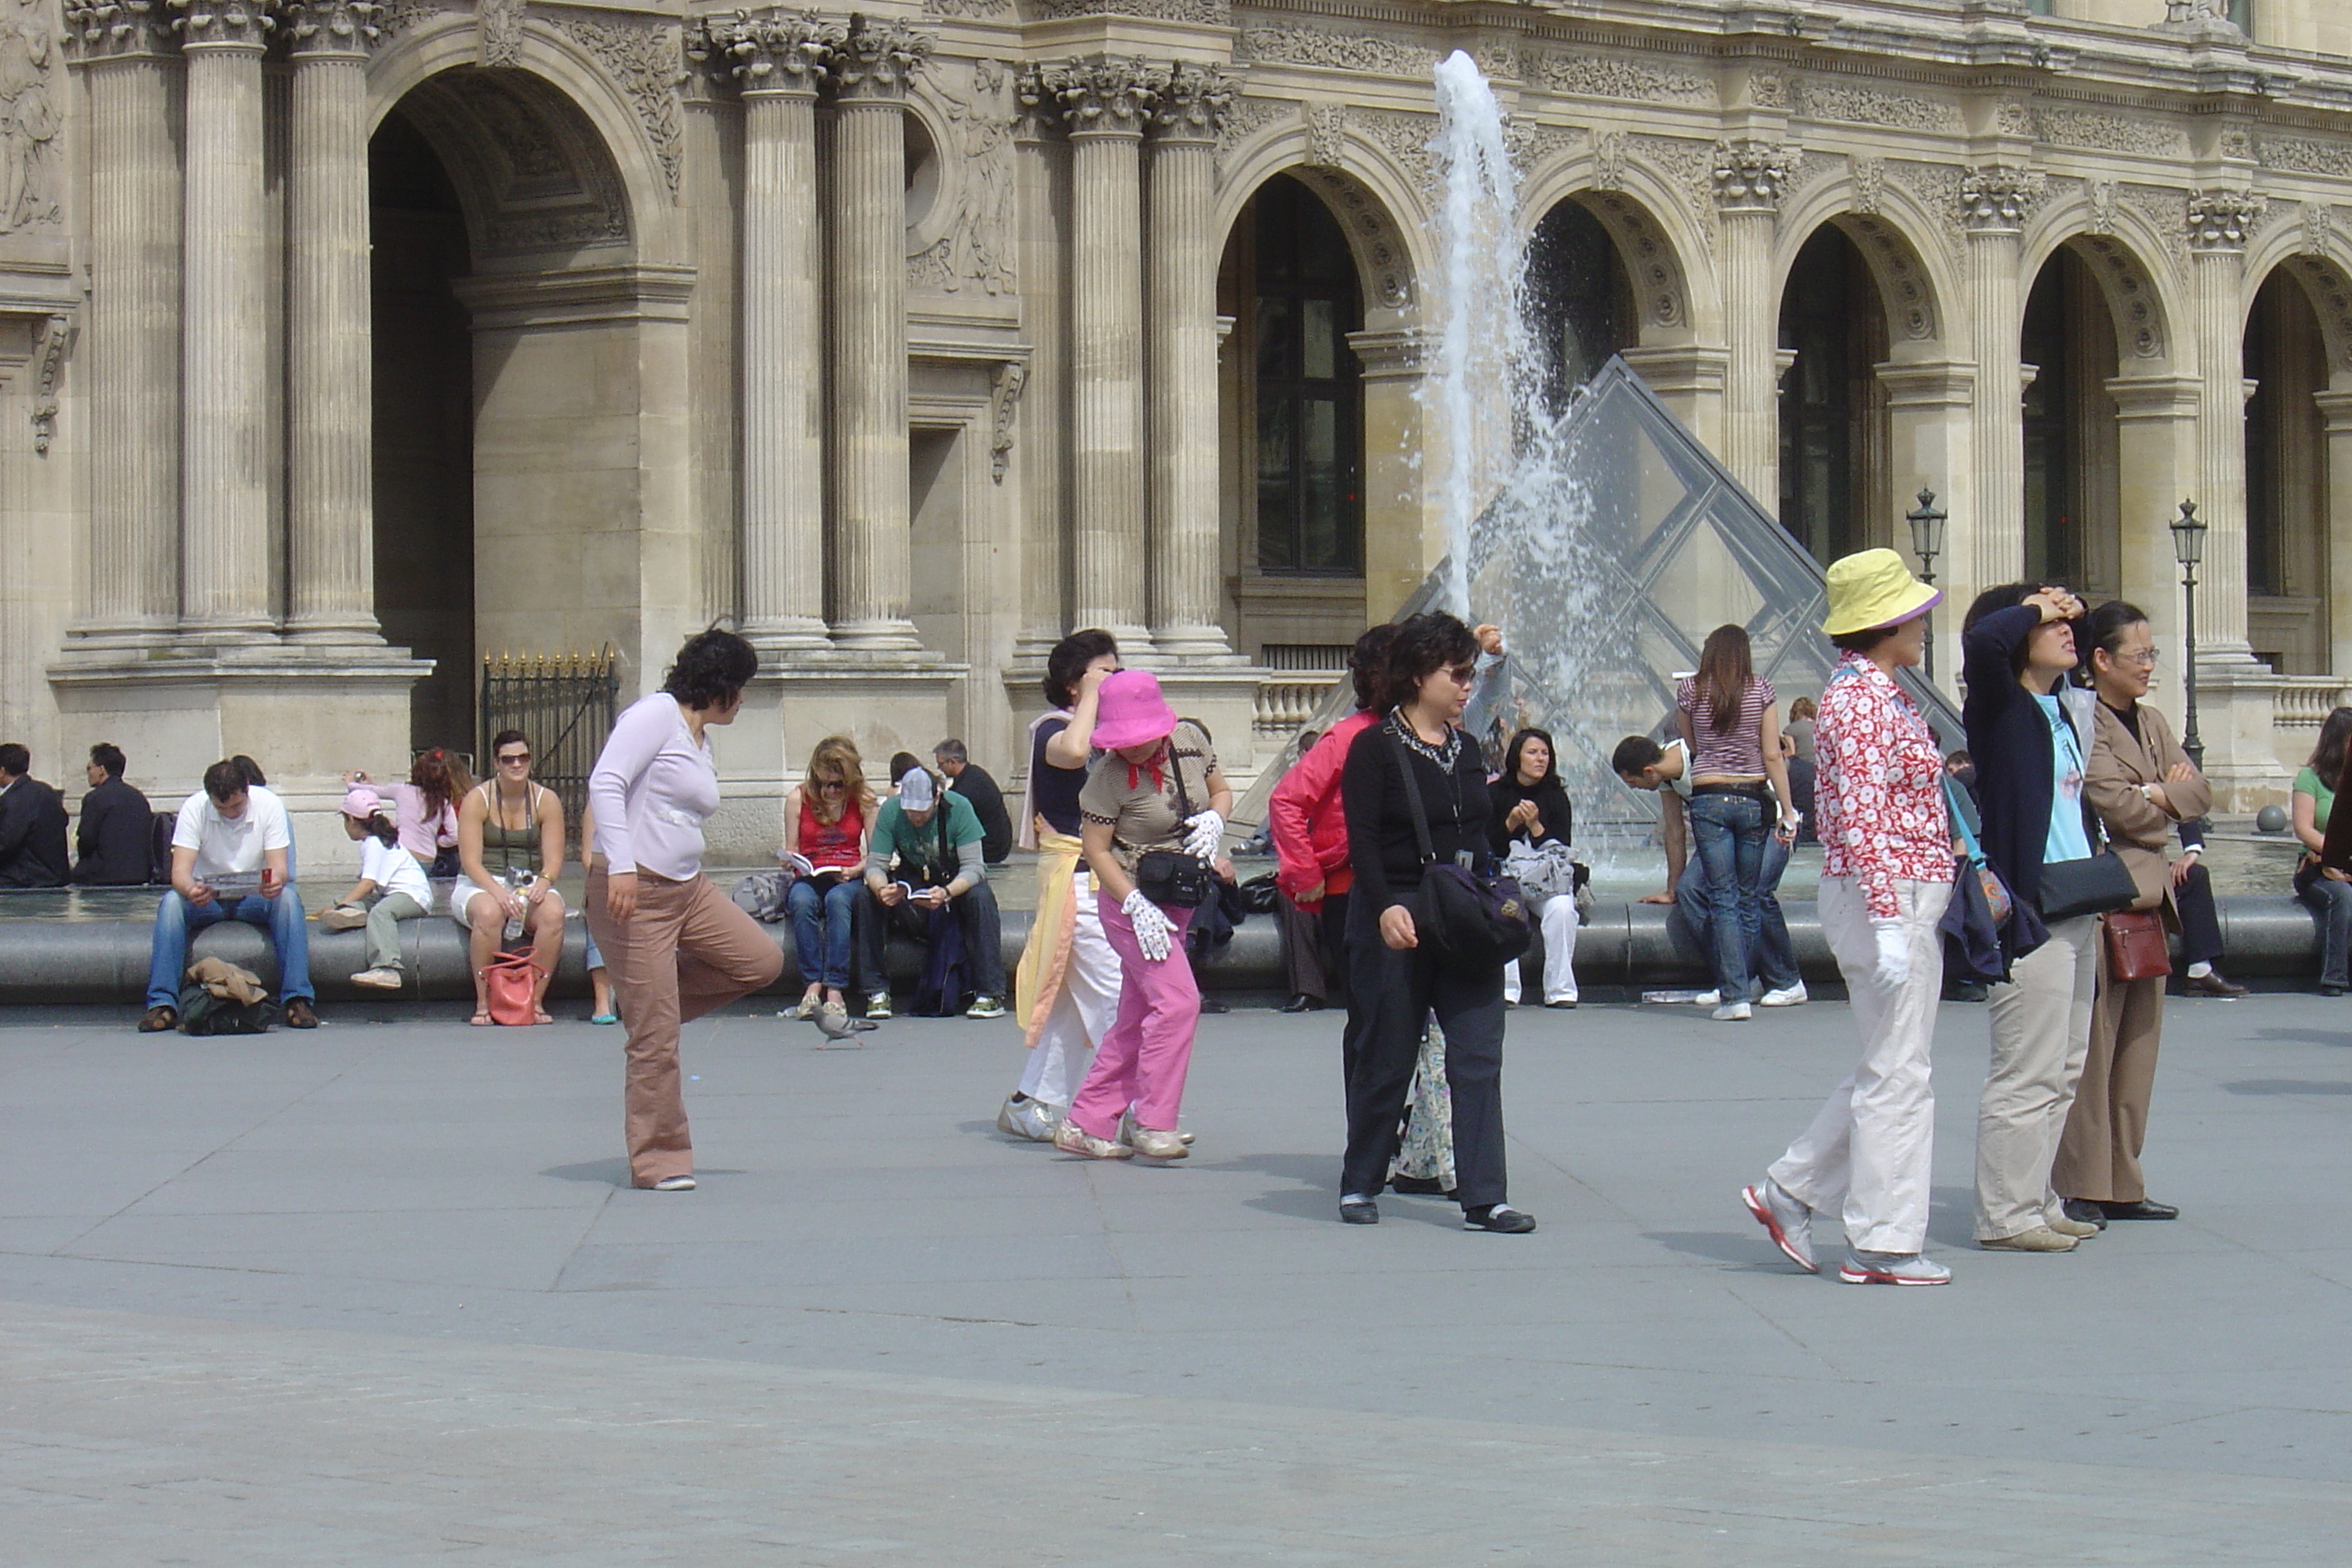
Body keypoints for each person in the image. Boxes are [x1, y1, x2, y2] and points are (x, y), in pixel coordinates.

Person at [1742, 549, 1953, 1286]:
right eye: (1912, 613)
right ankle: (1884, 1242)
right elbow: (1862, 815)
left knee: (1890, 1065)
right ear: (1885, 623)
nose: (1924, 622)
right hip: (1886, 894)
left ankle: (1793, 1190)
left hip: (1891, 891)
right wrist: (1891, 920)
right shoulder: (1862, 702)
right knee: (1901, 1075)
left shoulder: (1872, 694)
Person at [1337, 612, 1534, 1234]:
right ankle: (1361, 1179)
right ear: (1420, 675)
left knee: (1478, 1055)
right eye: (1456, 673)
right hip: (1397, 914)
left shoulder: (1466, 747)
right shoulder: (1374, 747)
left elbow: (1477, 829)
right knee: (1387, 1054)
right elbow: (1362, 841)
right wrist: (1383, 906)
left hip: (1462, 917)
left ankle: (1486, 1195)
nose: (1466, 685)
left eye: (1470, 674)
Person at [585, 629, 785, 1191]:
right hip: (635, 890)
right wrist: (619, 863)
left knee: (760, 961)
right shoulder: (654, 715)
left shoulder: (701, 739)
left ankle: (650, 1006)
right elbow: (606, 781)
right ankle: (660, 1158)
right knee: (657, 1043)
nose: (743, 701)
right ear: (718, 687)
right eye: (740, 689)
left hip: (687, 887)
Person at [1960, 582, 2103, 1256]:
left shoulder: (2057, 709)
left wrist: (2066, 609)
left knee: (2065, 1066)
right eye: (2051, 621)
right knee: (2026, 1067)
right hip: (2030, 912)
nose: (2067, 628)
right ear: (2018, 631)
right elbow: (1981, 642)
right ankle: (2005, 1213)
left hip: (2077, 902)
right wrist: (2032, 605)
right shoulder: (2001, 706)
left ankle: (2037, 1198)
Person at [2055, 600, 2204, 1230]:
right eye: (2139, 655)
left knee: (2137, 1050)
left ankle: (2124, 1179)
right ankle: (2085, 1181)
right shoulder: (2086, 722)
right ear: (2101, 660)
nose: (2149, 666)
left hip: (2148, 904)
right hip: (2104, 897)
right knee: (2095, 1050)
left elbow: (2198, 792)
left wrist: (2160, 795)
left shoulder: (2153, 720)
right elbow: (2117, 807)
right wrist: (2161, 796)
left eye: (2152, 655)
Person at [1053, 670, 1231, 1161]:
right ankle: (1153, 1120)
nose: (1131, 749)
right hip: (1129, 901)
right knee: (1177, 1004)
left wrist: (1216, 818)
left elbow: (1220, 791)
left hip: (1179, 894)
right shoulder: (1106, 779)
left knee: (1136, 1015)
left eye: (1140, 739)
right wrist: (1133, 903)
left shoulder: (1191, 740)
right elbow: (1097, 852)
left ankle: (1086, 1121)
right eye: (1121, 741)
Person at [1000, 630, 1122, 1142]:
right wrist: (1092, 694)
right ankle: (1130, 1104)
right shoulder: (1053, 727)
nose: (1116, 681)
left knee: (1071, 1005)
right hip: (1078, 881)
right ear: (1074, 683)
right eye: (1105, 672)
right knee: (1118, 997)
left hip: (1100, 878)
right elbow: (1071, 753)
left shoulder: (1108, 731)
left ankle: (1033, 1101)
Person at [1269, 624, 1399, 1068]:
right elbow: (1286, 800)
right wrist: (1306, 874)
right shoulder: (1346, 737)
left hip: (1400, 886)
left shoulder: (1413, 733)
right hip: (1351, 891)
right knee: (1371, 1017)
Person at [1611, 732, 1807, 1007]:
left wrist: (1787, 814)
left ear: (1648, 771)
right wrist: (1672, 888)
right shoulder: (1666, 774)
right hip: (1726, 832)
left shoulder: (1701, 752)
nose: (1634, 788)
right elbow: (1675, 830)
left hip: (1768, 821)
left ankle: (1787, 980)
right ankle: (1736, 978)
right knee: (1689, 889)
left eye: (1633, 781)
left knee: (1758, 892)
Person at [1676, 624, 1800, 1021]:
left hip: (1709, 796)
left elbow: (1690, 743)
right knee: (1747, 897)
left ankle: (1735, 995)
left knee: (1722, 896)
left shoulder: (1690, 691)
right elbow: (1772, 754)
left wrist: (1715, 757)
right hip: (1752, 798)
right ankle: (1743, 983)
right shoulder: (1761, 689)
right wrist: (1788, 809)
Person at [139, 759, 316, 1032]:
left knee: (289, 901)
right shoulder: (194, 808)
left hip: (255, 897)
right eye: (222, 808)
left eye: (236, 806)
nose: (231, 813)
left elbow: (279, 866)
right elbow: (180, 873)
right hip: (209, 899)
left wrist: (274, 882)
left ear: (247, 791)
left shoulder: (269, 805)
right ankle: (162, 1003)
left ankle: (297, 999)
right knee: (171, 904)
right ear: (210, 799)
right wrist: (191, 890)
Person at [863, 763, 1006, 1019]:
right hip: (915, 885)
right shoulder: (890, 811)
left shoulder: (960, 808)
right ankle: (876, 991)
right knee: (866, 898)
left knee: (981, 896)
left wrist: (948, 892)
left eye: (922, 810)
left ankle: (990, 992)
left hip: (953, 886)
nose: (915, 817)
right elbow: (876, 864)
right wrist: (882, 888)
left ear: (937, 798)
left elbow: (975, 868)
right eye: (909, 810)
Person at [454, 730, 568, 1026]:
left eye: (523, 758)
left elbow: (554, 860)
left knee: (554, 915)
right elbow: (470, 861)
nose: (516, 765)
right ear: (496, 763)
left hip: (528, 880)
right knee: (489, 913)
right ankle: (483, 1001)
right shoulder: (476, 800)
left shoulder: (547, 800)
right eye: (508, 760)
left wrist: (543, 882)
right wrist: (498, 892)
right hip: (480, 881)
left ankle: (534, 999)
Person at [1487, 727, 1581, 1008]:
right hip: (1506, 876)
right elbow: (1485, 845)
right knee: (1502, 907)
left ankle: (1560, 989)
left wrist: (1536, 827)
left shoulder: (1556, 796)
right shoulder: (1494, 793)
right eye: (1532, 753)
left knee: (1563, 908)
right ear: (1517, 757)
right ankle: (1506, 989)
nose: (1540, 759)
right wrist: (1511, 824)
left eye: (1545, 753)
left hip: (1546, 880)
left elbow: (1562, 849)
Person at [784, 735, 872, 1025]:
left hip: (847, 873)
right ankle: (812, 985)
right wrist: (789, 859)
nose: (829, 791)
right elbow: (792, 848)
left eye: (837, 785)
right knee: (800, 900)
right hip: (811, 873)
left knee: (838, 901)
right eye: (823, 784)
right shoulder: (799, 798)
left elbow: (876, 855)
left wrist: (856, 870)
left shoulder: (864, 801)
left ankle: (835, 989)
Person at [320, 785, 433, 991]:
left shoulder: (372, 843)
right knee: (353, 901)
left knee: (381, 912)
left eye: (345, 820)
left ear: (352, 820)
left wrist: (343, 904)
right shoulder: (378, 840)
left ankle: (387, 967)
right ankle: (353, 913)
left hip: (412, 895)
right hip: (397, 893)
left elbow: (368, 883)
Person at [2293, 706, 2352, 995]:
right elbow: (2304, 829)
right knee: (2342, 896)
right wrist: (2336, 854)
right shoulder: (2310, 778)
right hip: (2315, 867)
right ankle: (2334, 975)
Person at [72, 743, 154, 886]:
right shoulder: (138, 797)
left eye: (89, 768)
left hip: (102, 876)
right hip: (139, 875)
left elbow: (86, 841)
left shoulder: (95, 798)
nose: (88, 774)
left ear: (102, 770)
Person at [0, 741, 70, 887]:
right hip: (54, 875)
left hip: (26, 878)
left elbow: (5, 843)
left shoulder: (14, 799)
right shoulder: (46, 791)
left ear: (2, 771)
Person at [935, 739, 1013, 866]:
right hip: (997, 843)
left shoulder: (968, 787)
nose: (939, 768)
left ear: (952, 762)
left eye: (940, 764)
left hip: (989, 848)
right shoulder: (973, 774)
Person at [579, 800, 616, 1025]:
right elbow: (588, 858)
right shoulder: (597, 804)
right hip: (608, 879)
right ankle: (602, 1000)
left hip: (646, 880)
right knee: (601, 905)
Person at [1783, 694, 1818, 842]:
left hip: (1801, 771)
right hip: (1820, 770)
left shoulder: (1791, 729)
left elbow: (1791, 752)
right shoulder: (1819, 726)